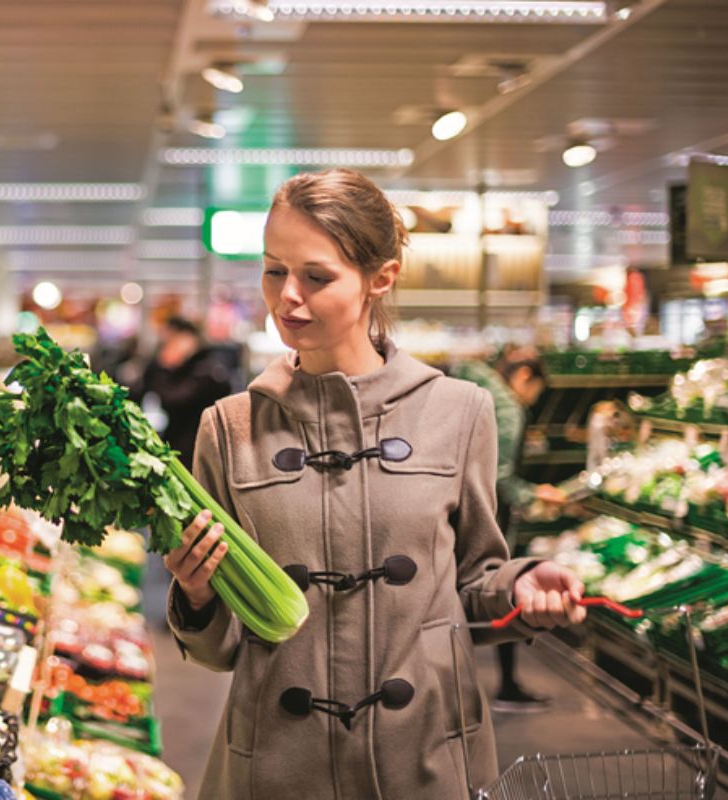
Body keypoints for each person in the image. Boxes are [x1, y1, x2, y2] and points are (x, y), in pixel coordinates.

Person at [162, 169, 586, 799]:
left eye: (317, 276)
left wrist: (520, 585)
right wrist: (196, 594)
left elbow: (471, 585)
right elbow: (221, 647)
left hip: (422, 758)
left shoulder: (459, 413)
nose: (287, 297)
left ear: (380, 278)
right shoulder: (228, 428)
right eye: (274, 270)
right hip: (277, 765)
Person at [453, 350, 567, 713]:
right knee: (501, 589)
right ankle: (506, 686)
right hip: (486, 517)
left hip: (453, 513)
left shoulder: (467, 386)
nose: (532, 400)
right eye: (536, 391)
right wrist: (535, 494)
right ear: (525, 377)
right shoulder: (506, 408)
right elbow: (499, 479)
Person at [132, 316, 233, 470]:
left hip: (197, 450)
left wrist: (165, 366)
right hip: (178, 444)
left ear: (187, 339)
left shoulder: (206, 370)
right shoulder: (180, 369)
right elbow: (141, 391)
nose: (168, 347)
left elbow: (174, 399)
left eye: (172, 340)